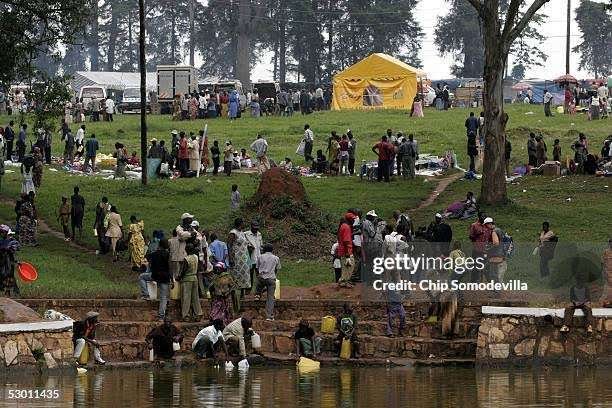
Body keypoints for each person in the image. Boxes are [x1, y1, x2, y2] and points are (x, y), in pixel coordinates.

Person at [178, 241, 203, 321]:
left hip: (187, 280)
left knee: (186, 298)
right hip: (195, 278)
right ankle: (198, 314)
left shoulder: (186, 259)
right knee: (195, 297)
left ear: (186, 250)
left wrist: (179, 277)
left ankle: (186, 315)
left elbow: (183, 270)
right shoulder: (196, 257)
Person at [255, 243, 280, 321]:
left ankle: (257, 295)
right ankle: (269, 316)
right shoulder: (276, 258)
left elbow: (257, 268)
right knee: (270, 298)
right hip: (271, 279)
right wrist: (273, 276)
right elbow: (277, 269)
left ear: (264, 250)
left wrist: (258, 275)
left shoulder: (260, 257)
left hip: (262, 278)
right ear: (272, 250)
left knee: (259, 284)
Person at [228, 218, 251, 298]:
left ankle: (242, 294)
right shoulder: (233, 233)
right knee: (236, 274)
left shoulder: (242, 233)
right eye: (243, 223)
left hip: (244, 258)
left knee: (244, 275)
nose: (244, 224)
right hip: (237, 257)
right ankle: (233, 294)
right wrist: (230, 258)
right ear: (240, 223)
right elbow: (229, 245)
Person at [484, 217, 507, 282]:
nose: (486, 228)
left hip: (495, 255)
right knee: (489, 270)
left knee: (493, 273)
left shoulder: (494, 231)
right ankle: (494, 286)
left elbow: (496, 243)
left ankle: (496, 289)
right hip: (501, 254)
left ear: (489, 224)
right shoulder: (499, 230)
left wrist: (487, 249)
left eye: (486, 225)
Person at [0, 224, 20, 297]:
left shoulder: (12, 241)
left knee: (9, 275)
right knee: (2, 275)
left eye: (3, 232)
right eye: (1, 232)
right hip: (2, 261)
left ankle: (8, 292)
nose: (2, 234)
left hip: (8, 261)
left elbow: (16, 248)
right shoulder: (1, 240)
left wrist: (9, 249)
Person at [337, 213, 355, 287]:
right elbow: (346, 241)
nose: (354, 221)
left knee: (346, 267)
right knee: (349, 266)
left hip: (343, 250)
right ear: (349, 219)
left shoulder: (343, 226)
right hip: (346, 251)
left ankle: (345, 281)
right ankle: (343, 281)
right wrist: (348, 254)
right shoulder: (346, 227)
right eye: (353, 219)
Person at [244, 221, 262, 290]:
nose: (256, 230)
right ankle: (249, 288)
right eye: (254, 228)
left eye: (257, 228)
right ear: (251, 227)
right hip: (249, 257)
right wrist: (248, 247)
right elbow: (243, 246)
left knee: (259, 274)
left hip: (258, 257)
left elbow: (260, 246)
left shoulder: (259, 234)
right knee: (249, 274)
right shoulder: (246, 234)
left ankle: (259, 289)